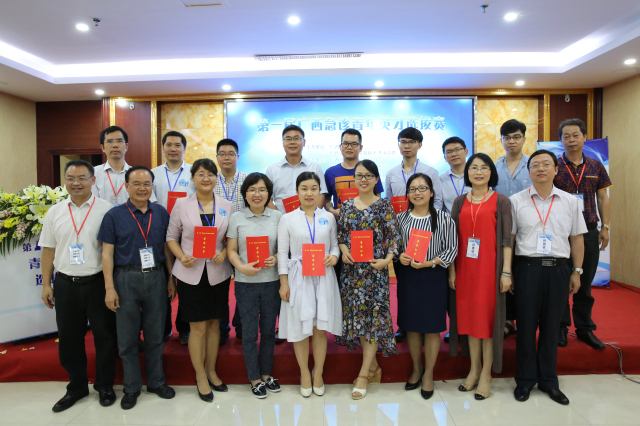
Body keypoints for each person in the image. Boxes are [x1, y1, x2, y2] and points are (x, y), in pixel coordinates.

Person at [40, 160, 117, 412]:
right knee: (69, 338)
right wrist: (47, 284)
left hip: (97, 283)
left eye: (82, 178)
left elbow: (111, 251)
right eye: (71, 178)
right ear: (65, 181)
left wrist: (110, 287)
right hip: (65, 284)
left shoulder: (107, 210)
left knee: (105, 336)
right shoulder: (55, 212)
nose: (76, 183)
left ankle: (105, 385)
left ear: (93, 180)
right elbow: (48, 250)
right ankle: (76, 386)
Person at [511, 149, 587, 406]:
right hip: (527, 269)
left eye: (546, 164)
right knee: (525, 327)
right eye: (535, 165)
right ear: (529, 171)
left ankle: (548, 381)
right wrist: (509, 272)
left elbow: (577, 238)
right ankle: (524, 380)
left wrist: (577, 271)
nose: (540, 168)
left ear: (556, 170)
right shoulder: (516, 201)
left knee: (552, 327)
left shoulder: (570, 201)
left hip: (559, 270)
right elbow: (510, 240)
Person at [98, 166, 176, 410]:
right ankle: (131, 387)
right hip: (125, 278)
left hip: (156, 277)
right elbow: (107, 254)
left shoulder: (161, 213)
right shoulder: (114, 215)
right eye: (137, 184)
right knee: (127, 338)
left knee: (155, 335)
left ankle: (156, 382)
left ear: (152, 186)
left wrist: (170, 277)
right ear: (127, 187)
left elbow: (166, 248)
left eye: (147, 184)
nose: (142, 188)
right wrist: (109, 288)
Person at [166, 159, 233, 402]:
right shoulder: (181, 204)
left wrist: (224, 252)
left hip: (218, 273)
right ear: (193, 178)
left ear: (217, 178)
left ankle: (212, 371)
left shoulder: (226, 205)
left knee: (214, 325)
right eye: (201, 174)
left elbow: (230, 239)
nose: (206, 179)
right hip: (190, 273)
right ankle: (200, 376)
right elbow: (171, 237)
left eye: (211, 174)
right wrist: (181, 256)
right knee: (198, 327)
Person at [448, 153, 513, 400]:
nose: (478, 172)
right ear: (467, 172)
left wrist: (506, 272)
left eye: (484, 168)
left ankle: (486, 373)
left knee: (487, 322)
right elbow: (452, 241)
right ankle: (474, 370)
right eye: (473, 168)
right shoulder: (459, 201)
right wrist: (452, 271)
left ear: (491, 173)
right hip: (465, 270)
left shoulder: (501, 201)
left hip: (490, 271)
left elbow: (507, 241)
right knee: (470, 321)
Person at [336, 160, 401, 400]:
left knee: (373, 319)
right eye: (359, 175)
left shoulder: (384, 205)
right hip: (352, 273)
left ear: (376, 179)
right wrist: (344, 249)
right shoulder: (346, 206)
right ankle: (373, 367)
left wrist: (387, 261)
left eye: (368, 176)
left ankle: (363, 374)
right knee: (360, 318)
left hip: (375, 272)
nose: (363, 180)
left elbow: (394, 237)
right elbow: (341, 235)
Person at [277, 171, 342, 397]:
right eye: (304, 188)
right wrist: (283, 283)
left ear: (320, 192)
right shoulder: (287, 219)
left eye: (314, 188)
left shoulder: (328, 217)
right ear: (297, 192)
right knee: (301, 327)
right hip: (298, 277)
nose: (309, 193)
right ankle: (305, 373)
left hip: (323, 275)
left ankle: (318, 373)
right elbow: (282, 253)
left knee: (319, 328)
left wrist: (334, 256)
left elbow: (335, 245)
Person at [396, 173, 458, 400]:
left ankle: (429, 374)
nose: (417, 193)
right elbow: (394, 245)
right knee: (412, 326)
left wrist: (430, 262)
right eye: (413, 189)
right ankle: (416, 369)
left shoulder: (443, 218)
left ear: (431, 193)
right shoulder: (400, 218)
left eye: (422, 188)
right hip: (408, 277)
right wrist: (400, 255)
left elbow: (451, 248)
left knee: (432, 328)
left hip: (433, 276)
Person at [553, 118, 611, 350]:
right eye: (566, 136)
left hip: (588, 229)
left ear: (585, 137)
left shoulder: (596, 166)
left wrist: (605, 227)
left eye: (575, 135)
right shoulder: (554, 166)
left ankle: (585, 328)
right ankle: (560, 328)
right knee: (560, 282)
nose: (571, 140)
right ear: (560, 140)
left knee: (584, 283)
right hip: (560, 231)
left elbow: (603, 198)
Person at [384, 127, 443, 342]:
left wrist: (428, 224)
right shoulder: (391, 173)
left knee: (425, 282)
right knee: (404, 282)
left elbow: (437, 201)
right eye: (403, 141)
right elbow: (388, 203)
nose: (406, 146)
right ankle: (405, 325)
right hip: (402, 231)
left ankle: (426, 324)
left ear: (419, 144)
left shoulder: (431, 171)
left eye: (411, 142)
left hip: (426, 232)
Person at [227, 173, 282, 399]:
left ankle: (266, 374)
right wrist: (241, 267)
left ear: (268, 193)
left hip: (272, 282)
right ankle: (254, 378)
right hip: (245, 283)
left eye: (262, 190)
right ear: (245, 193)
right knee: (249, 333)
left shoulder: (278, 216)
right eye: (252, 189)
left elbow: (285, 248)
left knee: (268, 332)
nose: (257, 194)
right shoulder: (236, 218)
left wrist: (276, 258)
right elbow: (231, 250)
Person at [324, 129, 384, 289]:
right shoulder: (330, 172)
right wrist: (333, 211)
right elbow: (326, 200)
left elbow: (377, 197)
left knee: (369, 278)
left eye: (353, 144)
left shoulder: (369, 169)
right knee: (343, 279)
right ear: (340, 146)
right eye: (345, 143)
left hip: (368, 233)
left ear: (361, 147)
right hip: (342, 232)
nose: (349, 147)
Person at [151, 130, 195, 345]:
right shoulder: (153, 174)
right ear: (163, 148)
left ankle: (185, 328)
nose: (173, 149)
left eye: (178, 145)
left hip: (186, 233)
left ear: (184, 148)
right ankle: (163, 328)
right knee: (162, 280)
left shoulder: (193, 173)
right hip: (158, 231)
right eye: (169, 145)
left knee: (186, 281)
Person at [494, 119, 532, 339]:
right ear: (501, 140)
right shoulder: (494, 167)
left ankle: (525, 319)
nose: (511, 141)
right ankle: (508, 319)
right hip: (501, 230)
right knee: (504, 271)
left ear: (524, 139)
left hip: (528, 229)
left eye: (516, 137)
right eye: (507, 137)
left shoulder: (533, 164)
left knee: (524, 274)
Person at [214, 138, 247, 343]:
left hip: (243, 243)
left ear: (238, 156)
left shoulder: (248, 180)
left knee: (243, 287)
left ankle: (242, 326)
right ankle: (221, 328)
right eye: (222, 154)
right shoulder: (210, 180)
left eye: (231, 154)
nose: (227, 157)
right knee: (219, 287)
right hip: (216, 243)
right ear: (217, 157)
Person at [266, 124, 328, 214]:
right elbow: (267, 198)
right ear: (282, 143)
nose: (292, 142)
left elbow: (321, 195)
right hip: (280, 219)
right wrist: (279, 218)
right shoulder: (272, 169)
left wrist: (310, 217)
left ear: (304, 142)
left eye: (296, 138)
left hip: (310, 219)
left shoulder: (314, 167)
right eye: (288, 139)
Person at [93, 126, 158, 205]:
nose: (115, 145)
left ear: (126, 146)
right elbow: (92, 203)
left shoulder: (139, 174)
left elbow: (149, 203)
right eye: (109, 141)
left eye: (119, 141)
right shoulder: (93, 173)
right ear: (102, 147)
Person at [439, 137, 471, 214]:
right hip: (450, 221)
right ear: (445, 157)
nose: (454, 154)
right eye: (449, 152)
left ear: (466, 152)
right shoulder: (440, 179)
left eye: (457, 149)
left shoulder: (478, 175)